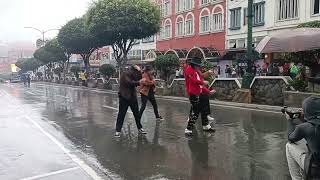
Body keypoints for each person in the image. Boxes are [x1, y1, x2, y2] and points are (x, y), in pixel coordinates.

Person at [285, 96, 320, 180]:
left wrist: (289, 120)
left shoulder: (304, 128)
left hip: (315, 169)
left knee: (289, 146)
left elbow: (291, 137)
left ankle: (296, 178)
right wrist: (305, 120)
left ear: (308, 110)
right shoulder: (308, 126)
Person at [184, 57, 215, 135]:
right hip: (193, 94)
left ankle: (205, 126)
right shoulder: (189, 70)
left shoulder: (197, 71)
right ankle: (188, 129)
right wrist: (203, 82)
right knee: (195, 112)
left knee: (204, 110)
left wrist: (208, 92)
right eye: (198, 65)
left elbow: (200, 85)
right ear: (194, 65)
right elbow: (193, 81)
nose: (199, 67)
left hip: (199, 92)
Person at [115, 65, 145, 137]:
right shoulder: (125, 74)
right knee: (121, 114)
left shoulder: (132, 74)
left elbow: (139, 78)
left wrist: (139, 71)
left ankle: (140, 128)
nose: (136, 73)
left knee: (136, 114)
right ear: (132, 70)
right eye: (136, 71)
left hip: (132, 97)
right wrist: (139, 82)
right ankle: (118, 130)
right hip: (124, 97)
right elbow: (129, 83)